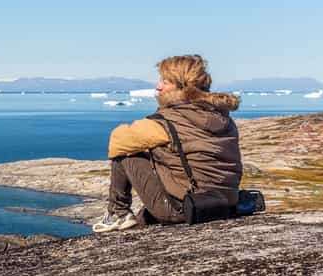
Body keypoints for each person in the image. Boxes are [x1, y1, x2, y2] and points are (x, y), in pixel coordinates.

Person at [94, 54, 242, 233]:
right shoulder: (223, 117)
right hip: (225, 205)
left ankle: (118, 214)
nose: (158, 87)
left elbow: (117, 140)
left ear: (181, 87)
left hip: (187, 209)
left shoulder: (168, 121)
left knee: (126, 153)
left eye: (165, 82)